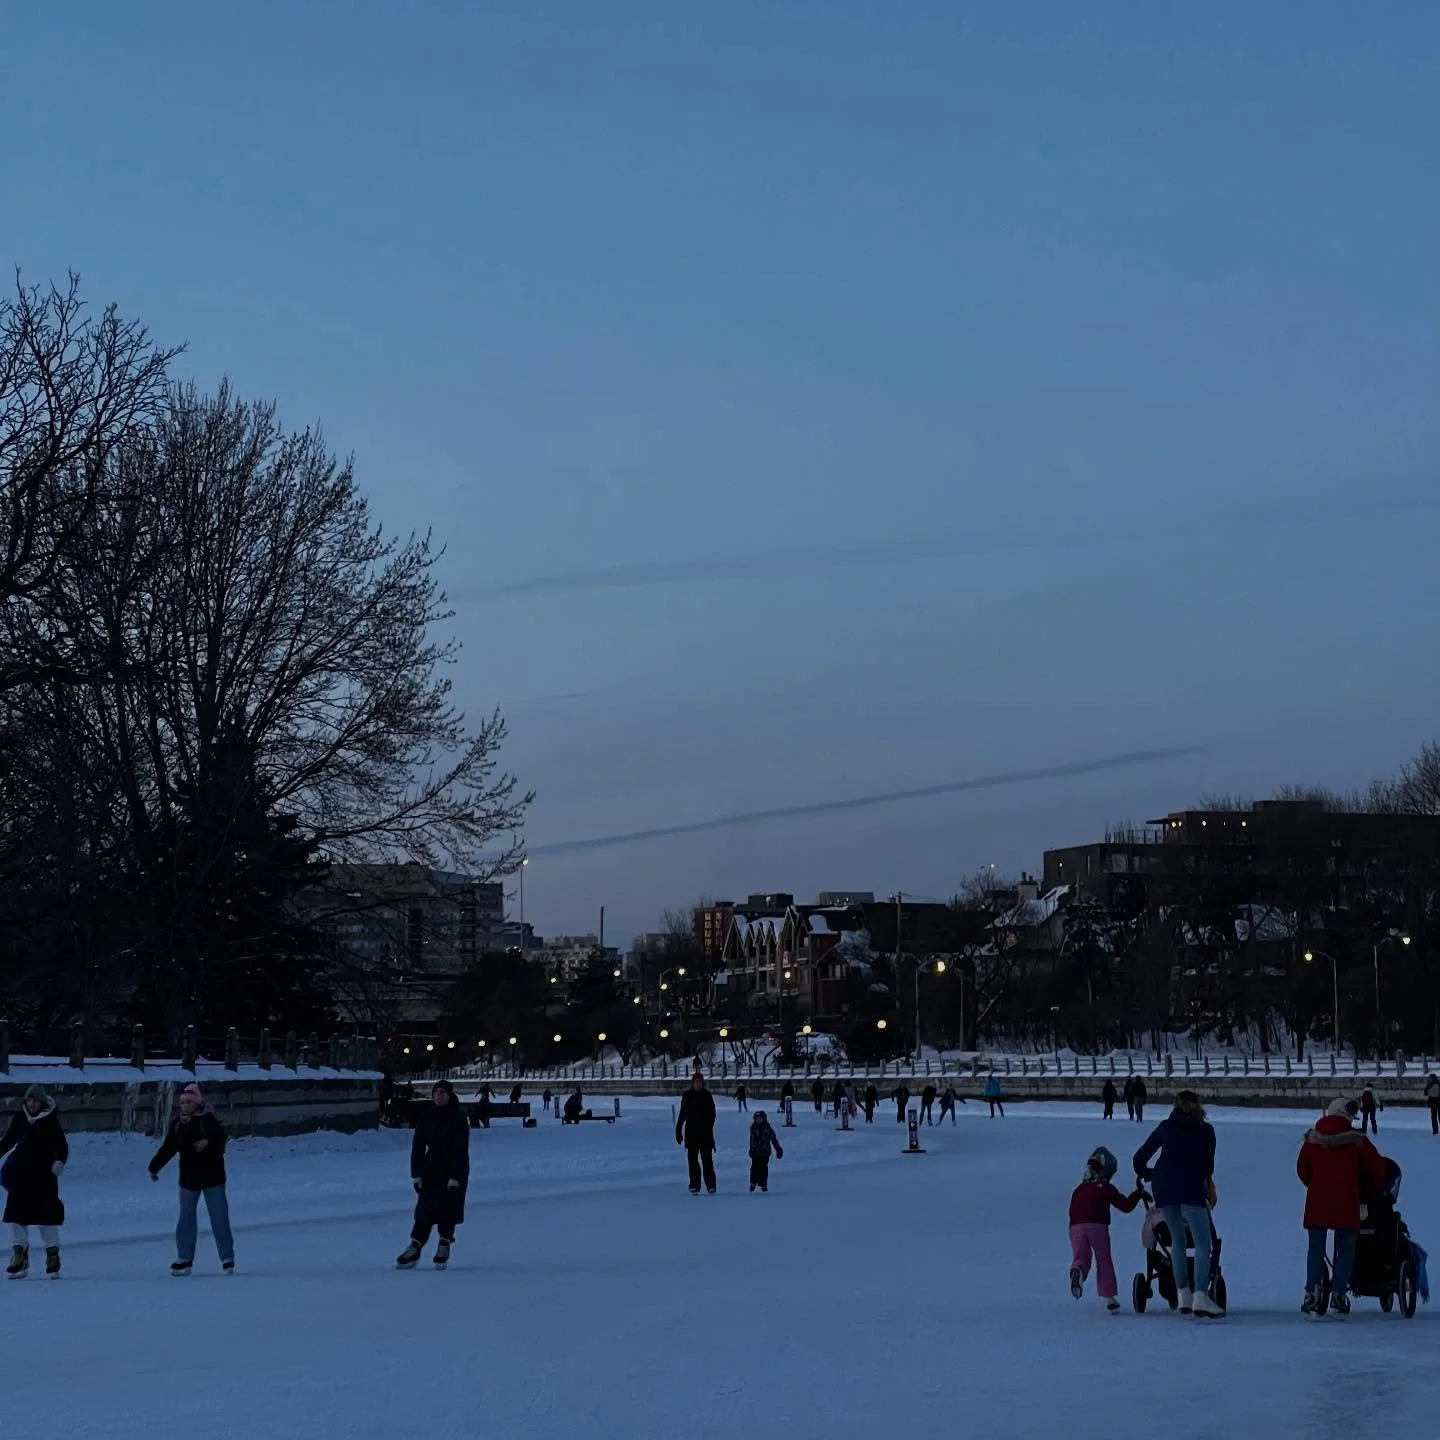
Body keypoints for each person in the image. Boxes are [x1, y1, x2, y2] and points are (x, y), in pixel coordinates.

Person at [1133, 1090, 1221, 1317]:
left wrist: (1149, 1173)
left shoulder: (1166, 1127)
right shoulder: (1206, 1131)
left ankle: (1183, 1293)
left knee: (1178, 1240)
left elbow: (1139, 1157)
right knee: (1203, 1242)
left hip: (1163, 1188)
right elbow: (1207, 1167)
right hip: (1190, 1188)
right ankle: (1200, 1294)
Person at [1297, 1098, 1387, 1317]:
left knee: (1315, 1249)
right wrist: (1368, 1191)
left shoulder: (1312, 1139)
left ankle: (1312, 1293)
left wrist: (1316, 1184)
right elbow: (1378, 1170)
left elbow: (1302, 1170)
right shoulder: (1357, 1141)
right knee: (1345, 1250)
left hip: (1317, 1201)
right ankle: (1338, 1294)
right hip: (1347, 1201)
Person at [148, 1084, 234, 1277]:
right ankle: (184, 1258)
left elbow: (221, 1139)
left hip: (213, 1177)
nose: (184, 1106)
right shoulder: (178, 1124)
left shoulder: (208, 1120)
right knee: (186, 1219)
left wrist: (208, 1143)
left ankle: (227, 1256)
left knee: (219, 1218)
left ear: (196, 1103)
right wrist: (154, 1167)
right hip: (189, 1178)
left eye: (188, 1102)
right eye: (182, 1102)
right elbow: (169, 1147)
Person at [397, 1079, 470, 1268]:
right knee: (424, 1210)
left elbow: (460, 1149)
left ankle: (444, 1243)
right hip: (430, 1169)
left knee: (447, 1208)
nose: (439, 1095)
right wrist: (417, 1173)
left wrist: (456, 1176)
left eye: (443, 1092)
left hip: (453, 1168)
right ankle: (415, 1246)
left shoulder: (458, 1118)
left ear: (450, 1095)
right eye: (436, 1092)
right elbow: (418, 1146)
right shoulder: (427, 1117)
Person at [1, 1085, 68, 1279]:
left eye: (35, 1101)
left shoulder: (50, 1121)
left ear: (42, 1103)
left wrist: (59, 1161)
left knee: (46, 1216)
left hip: (43, 1176)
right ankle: (19, 1255)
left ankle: (52, 1255)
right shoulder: (21, 1118)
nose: (31, 1104)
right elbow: (8, 1140)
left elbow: (61, 1145)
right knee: (15, 1215)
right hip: (20, 1175)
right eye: (29, 1100)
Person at [1068, 1146, 1142, 1312]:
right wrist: (1138, 1194)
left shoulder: (1078, 1190)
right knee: (1103, 1259)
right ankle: (1109, 1298)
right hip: (1098, 1226)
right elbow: (1126, 1206)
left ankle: (1077, 1271)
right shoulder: (1105, 1188)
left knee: (1081, 1257)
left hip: (1075, 1227)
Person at [676, 1073, 718, 1194]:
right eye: (696, 1082)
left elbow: (712, 1114)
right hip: (691, 1133)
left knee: (707, 1161)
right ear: (693, 1083)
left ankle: (711, 1185)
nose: (698, 1084)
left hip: (705, 1133)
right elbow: (682, 1114)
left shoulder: (707, 1095)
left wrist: (708, 1125)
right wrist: (678, 1131)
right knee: (692, 1161)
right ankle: (694, 1184)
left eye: (700, 1082)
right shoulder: (687, 1095)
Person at [748, 1110, 784, 1192]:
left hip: (765, 1152)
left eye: (760, 1119)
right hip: (755, 1152)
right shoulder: (753, 1128)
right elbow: (752, 1140)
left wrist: (778, 1149)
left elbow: (773, 1139)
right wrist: (751, 1149)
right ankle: (753, 1182)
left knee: (763, 1168)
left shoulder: (767, 1128)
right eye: (757, 1119)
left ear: (764, 1119)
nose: (758, 1120)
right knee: (754, 1168)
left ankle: (763, 1184)